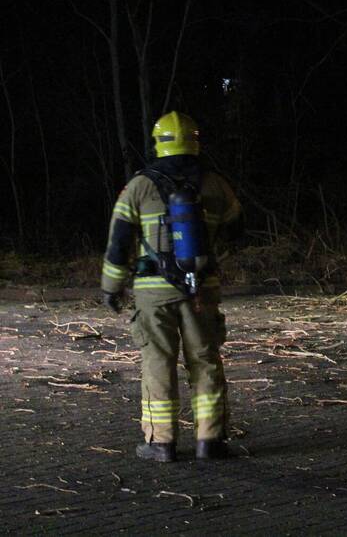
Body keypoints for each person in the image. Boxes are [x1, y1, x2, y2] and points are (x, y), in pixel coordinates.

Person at [100, 111, 243, 462]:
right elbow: (238, 229)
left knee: (158, 362)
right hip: (201, 289)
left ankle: (160, 443)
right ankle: (210, 441)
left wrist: (111, 287)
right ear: (195, 141)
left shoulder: (138, 186)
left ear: (157, 143)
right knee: (205, 361)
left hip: (153, 292)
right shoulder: (215, 183)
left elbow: (118, 244)